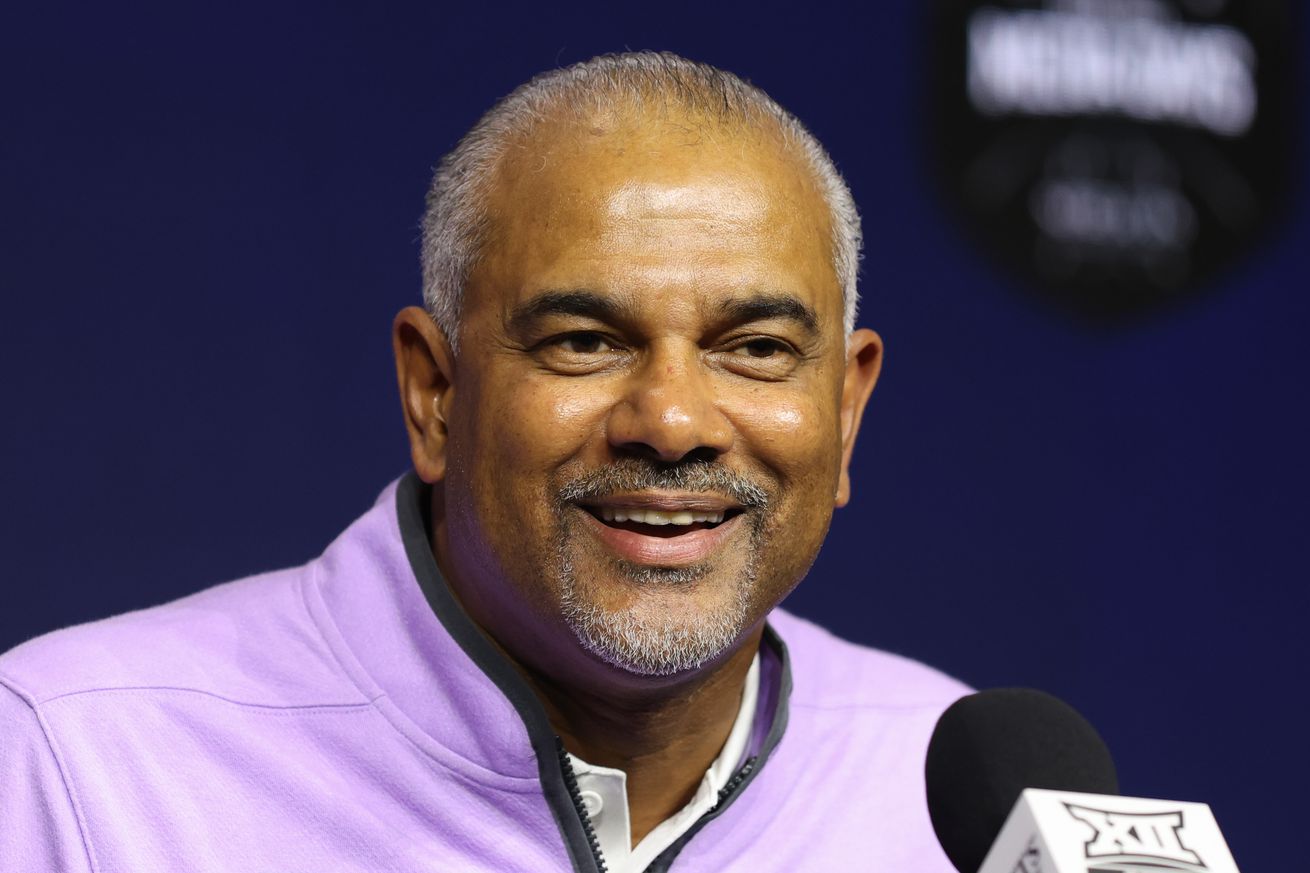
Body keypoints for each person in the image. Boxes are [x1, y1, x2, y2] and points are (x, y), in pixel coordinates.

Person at [0, 52, 967, 872]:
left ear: (844, 413)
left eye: (754, 348)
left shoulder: (962, 797)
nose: (672, 421)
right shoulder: (75, 766)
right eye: (585, 340)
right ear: (435, 395)